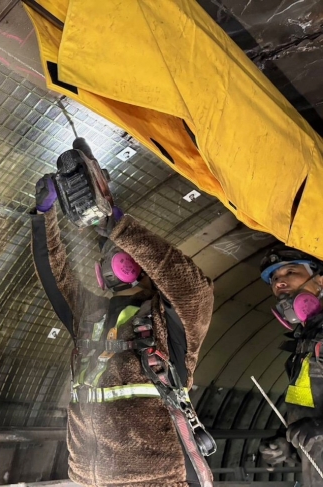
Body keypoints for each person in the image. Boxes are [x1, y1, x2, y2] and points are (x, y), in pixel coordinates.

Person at [31, 146, 216, 486]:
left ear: (143, 263)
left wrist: (119, 227)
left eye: (121, 252)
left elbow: (193, 289)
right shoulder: (91, 317)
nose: (110, 259)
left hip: (156, 480)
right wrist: (43, 215)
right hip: (88, 479)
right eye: (107, 252)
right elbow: (54, 274)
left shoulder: (169, 320)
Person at [258, 244, 323, 486]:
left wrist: (319, 427)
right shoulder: (304, 345)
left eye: (290, 272)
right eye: (274, 278)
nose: (279, 282)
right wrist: (286, 442)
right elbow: (308, 411)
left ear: (321, 281)